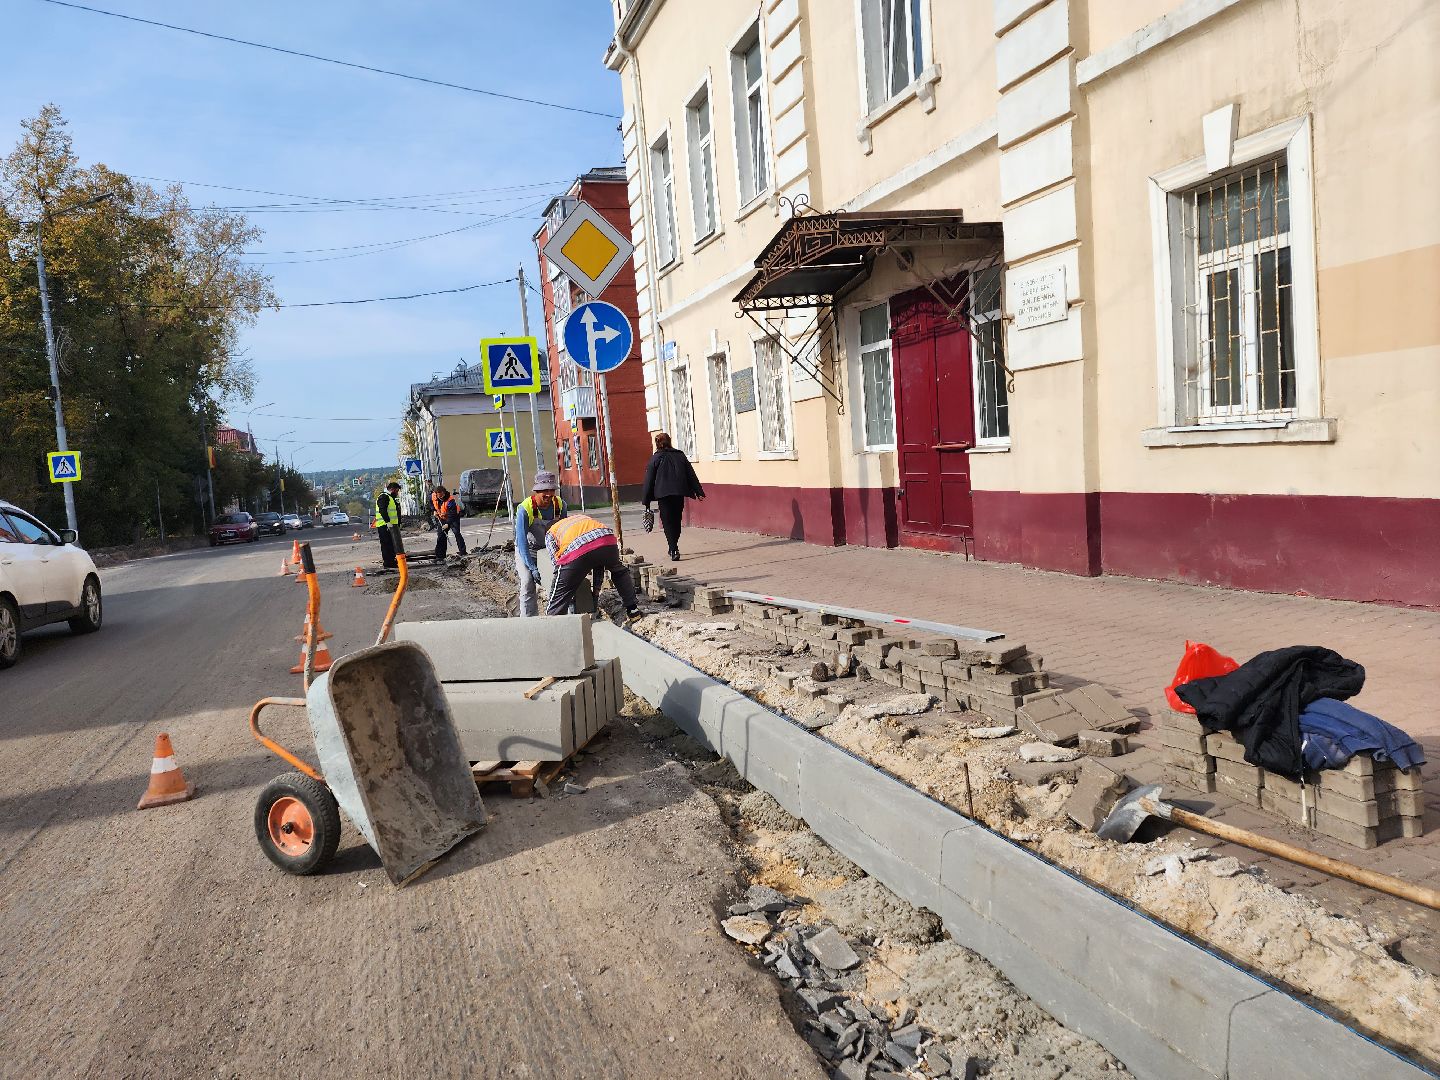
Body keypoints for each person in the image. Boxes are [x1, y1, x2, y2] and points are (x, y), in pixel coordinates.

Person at [544, 512, 642, 620]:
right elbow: (597, 562)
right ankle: (633, 610)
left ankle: (551, 622)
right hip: (608, 541)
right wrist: (594, 598)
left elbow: (558, 566)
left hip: (579, 549)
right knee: (619, 572)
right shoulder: (580, 518)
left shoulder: (550, 533)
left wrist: (571, 583)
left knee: (558, 595)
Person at [640, 432, 705, 561]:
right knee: (676, 521)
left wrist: (646, 500)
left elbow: (649, 480)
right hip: (678, 493)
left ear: (657, 444)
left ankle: (673, 548)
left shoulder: (655, 458)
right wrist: (699, 491)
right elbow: (690, 474)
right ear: (669, 442)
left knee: (668, 522)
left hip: (663, 495)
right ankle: (674, 546)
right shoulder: (680, 456)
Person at [514, 471, 567, 617]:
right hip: (528, 550)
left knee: (557, 581)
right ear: (536, 491)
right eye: (545, 490)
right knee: (527, 583)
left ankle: (558, 616)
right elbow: (522, 541)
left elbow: (563, 535)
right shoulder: (525, 509)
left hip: (549, 550)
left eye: (552, 490)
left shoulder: (560, 505)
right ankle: (528, 621)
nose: (549, 494)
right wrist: (532, 567)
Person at [374, 481, 403, 570]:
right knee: (387, 544)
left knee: (391, 544)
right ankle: (388, 562)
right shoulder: (384, 497)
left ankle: (392, 561)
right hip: (384, 525)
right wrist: (388, 522)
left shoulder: (390, 497)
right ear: (392, 489)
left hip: (391, 525)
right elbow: (383, 510)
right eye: (397, 491)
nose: (397, 493)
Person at [432, 486, 467, 559]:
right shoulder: (434, 496)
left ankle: (463, 552)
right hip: (442, 518)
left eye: (441, 496)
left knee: (457, 533)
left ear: (444, 493)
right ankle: (440, 556)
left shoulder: (451, 500)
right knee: (441, 536)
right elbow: (431, 503)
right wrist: (434, 510)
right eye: (439, 496)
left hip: (453, 517)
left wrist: (447, 524)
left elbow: (452, 514)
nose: (440, 498)